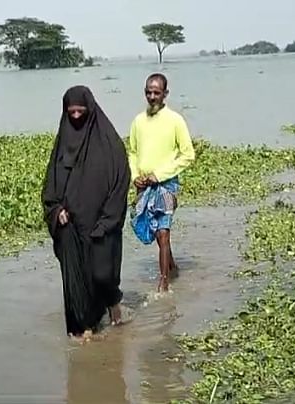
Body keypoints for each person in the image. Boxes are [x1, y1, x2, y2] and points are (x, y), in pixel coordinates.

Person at [42, 85, 131, 340]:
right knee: (75, 280)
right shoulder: (61, 145)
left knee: (102, 275)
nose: (77, 117)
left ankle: (113, 304)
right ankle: (82, 331)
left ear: (90, 110)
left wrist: (107, 221)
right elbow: (51, 186)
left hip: (101, 224)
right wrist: (56, 209)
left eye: (81, 112)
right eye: (72, 113)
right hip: (70, 226)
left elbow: (120, 181)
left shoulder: (109, 143)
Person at [127, 73, 195, 293]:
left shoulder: (175, 120)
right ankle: (172, 266)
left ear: (165, 94)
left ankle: (164, 282)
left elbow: (187, 155)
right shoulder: (138, 121)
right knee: (155, 231)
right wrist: (135, 175)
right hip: (144, 185)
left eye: (157, 92)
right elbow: (133, 152)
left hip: (166, 183)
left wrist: (159, 175)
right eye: (148, 92)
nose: (152, 96)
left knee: (163, 230)